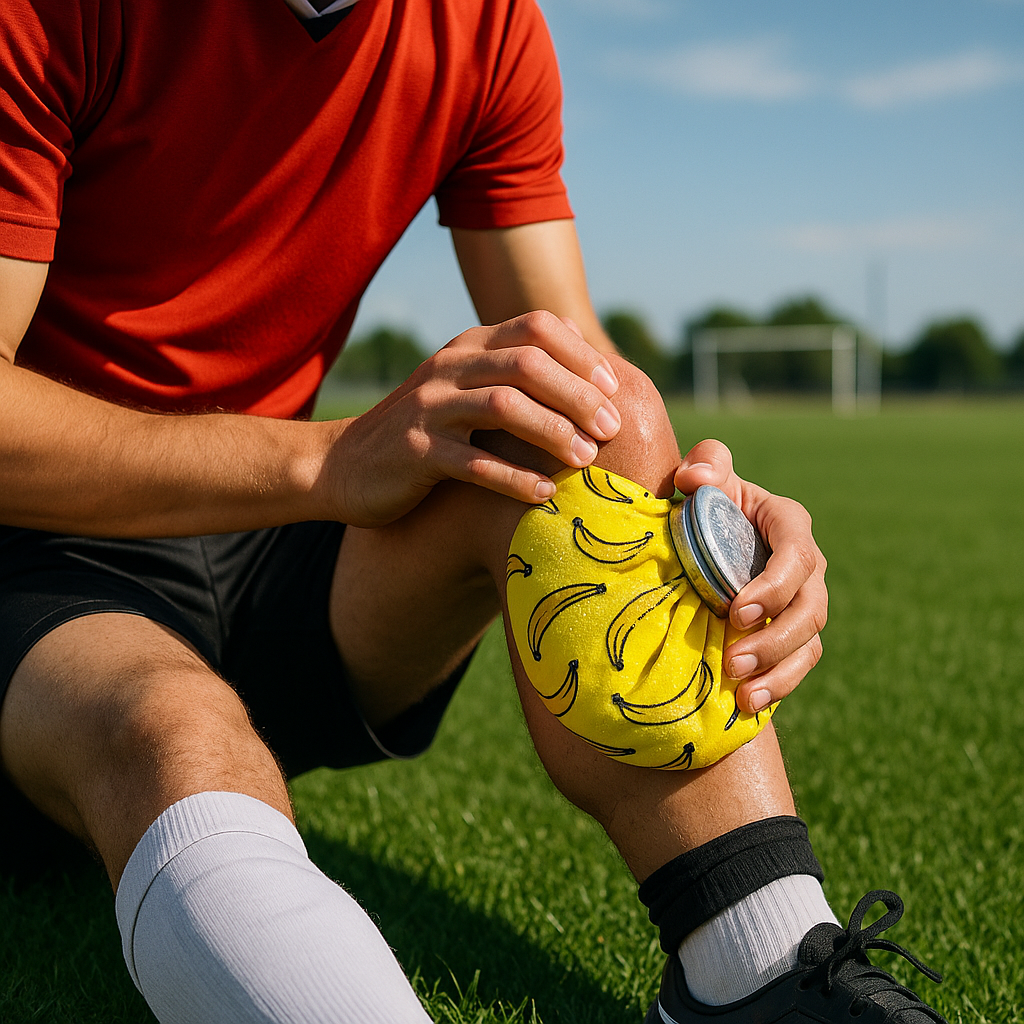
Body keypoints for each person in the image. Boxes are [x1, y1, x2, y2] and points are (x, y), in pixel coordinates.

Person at [0, 1, 947, 1022]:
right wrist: (327, 458)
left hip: (274, 539)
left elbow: (582, 374)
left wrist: (707, 515)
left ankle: (755, 962)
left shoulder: (482, 22)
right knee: (173, 730)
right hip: (42, 556)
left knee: (593, 422)